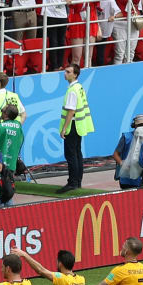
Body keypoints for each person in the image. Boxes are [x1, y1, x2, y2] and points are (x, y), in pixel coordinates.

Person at [58, 64, 93, 193]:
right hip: (79, 125)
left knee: (71, 155)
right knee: (77, 154)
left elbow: (71, 111)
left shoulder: (72, 90)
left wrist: (64, 129)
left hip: (72, 125)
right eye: (65, 71)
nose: (65, 73)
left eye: (68, 72)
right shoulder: (79, 87)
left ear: (75, 75)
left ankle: (72, 182)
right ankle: (77, 182)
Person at [110, 114, 143, 189]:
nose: (141, 127)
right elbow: (115, 154)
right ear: (134, 126)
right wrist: (122, 164)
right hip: (127, 180)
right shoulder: (126, 137)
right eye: (139, 125)